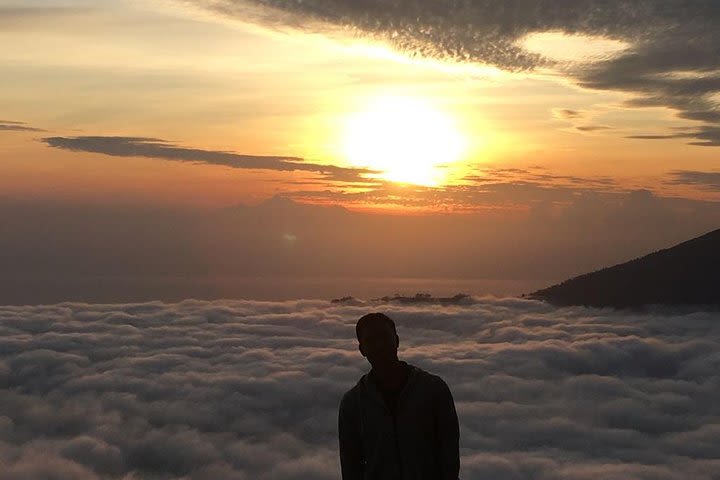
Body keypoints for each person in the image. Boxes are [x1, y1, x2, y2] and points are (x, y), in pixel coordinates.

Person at [338, 312, 460, 480]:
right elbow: (351, 467)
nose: (379, 345)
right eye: (371, 340)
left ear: (397, 340)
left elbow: (449, 457)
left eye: (384, 337)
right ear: (362, 350)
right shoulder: (352, 404)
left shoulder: (434, 391)